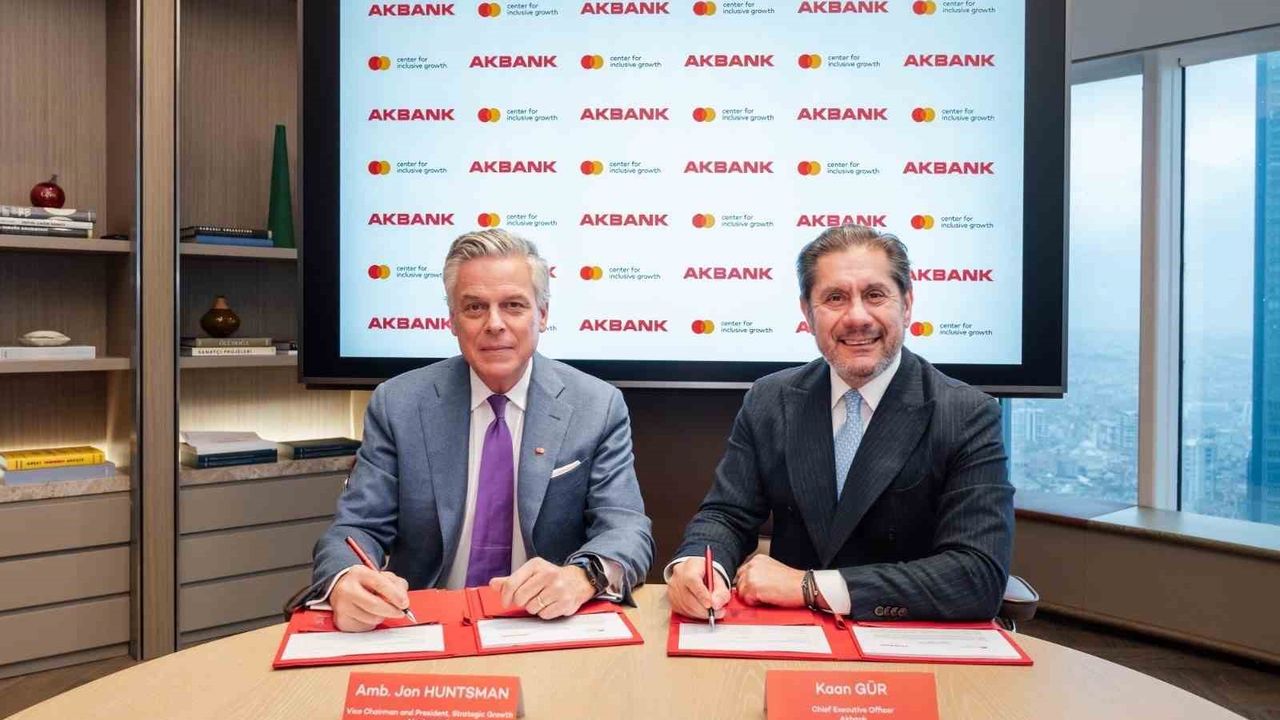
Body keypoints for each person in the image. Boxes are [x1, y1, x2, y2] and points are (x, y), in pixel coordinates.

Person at [302, 229, 654, 631]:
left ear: (542, 315)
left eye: (514, 305)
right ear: (452, 320)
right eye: (474, 307)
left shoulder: (597, 406)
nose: (495, 324)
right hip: (424, 624)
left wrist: (581, 577)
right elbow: (354, 529)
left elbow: (627, 529)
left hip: (546, 624)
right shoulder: (398, 404)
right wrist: (346, 578)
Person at [667, 224, 1013, 622]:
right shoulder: (769, 400)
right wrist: (699, 564)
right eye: (835, 298)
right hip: (790, 638)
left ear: (907, 305)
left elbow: (976, 576)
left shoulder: (967, 414)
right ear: (807, 314)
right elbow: (726, 514)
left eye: (875, 295)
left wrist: (811, 586)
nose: (857, 317)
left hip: (906, 640)